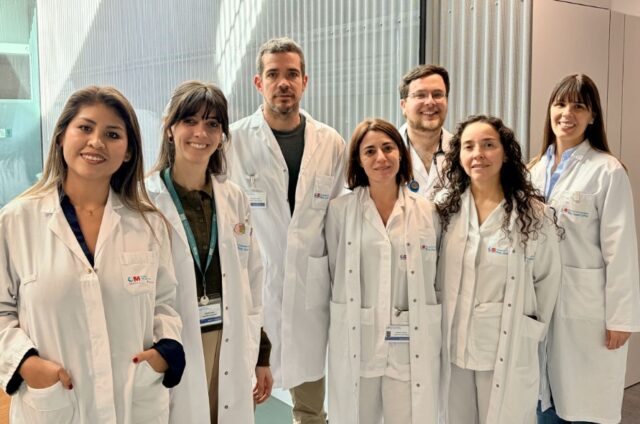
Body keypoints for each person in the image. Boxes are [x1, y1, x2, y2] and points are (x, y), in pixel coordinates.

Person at [0, 86, 184, 423]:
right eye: (85, 128)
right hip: (56, 403)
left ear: (128, 152)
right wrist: (25, 362)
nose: (96, 142)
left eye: (112, 134)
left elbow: (164, 303)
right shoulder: (16, 221)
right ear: (61, 137)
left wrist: (164, 352)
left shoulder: (148, 224)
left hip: (134, 403)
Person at [228, 37, 346, 423]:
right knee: (238, 401)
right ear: (258, 83)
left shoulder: (330, 143)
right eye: (273, 74)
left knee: (311, 406)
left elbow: (339, 219)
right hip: (254, 290)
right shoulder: (233, 141)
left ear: (305, 81)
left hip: (310, 293)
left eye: (292, 74)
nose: (283, 83)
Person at [146, 80, 271, 424]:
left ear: (222, 135)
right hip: (173, 337)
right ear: (169, 128)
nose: (201, 133)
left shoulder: (234, 197)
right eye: (189, 121)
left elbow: (252, 279)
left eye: (212, 124)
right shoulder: (146, 200)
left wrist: (262, 353)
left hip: (229, 335)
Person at [437, 115, 562, 423]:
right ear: (459, 156)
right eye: (469, 146)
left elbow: (547, 280)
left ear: (505, 153)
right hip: (453, 344)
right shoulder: (444, 208)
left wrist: (530, 328)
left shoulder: (534, 214)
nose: (478, 154)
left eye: (488, 145)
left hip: (505, 345)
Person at [531, 74, 640, 424]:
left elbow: (621, 251)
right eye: (560, 104)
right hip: (541, 303)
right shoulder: (533, 170)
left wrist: (621, 319)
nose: (567, 113)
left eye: (579, 106)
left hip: (587, 310)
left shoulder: (607, 171)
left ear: (593, 116)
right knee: (543, 399)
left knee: (583, 406)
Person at [325, 118, 442, 424]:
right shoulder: (340, 211)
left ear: (401, 153)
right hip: (359, 339)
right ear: (358, 160)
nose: (381, 158)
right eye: (370, 151)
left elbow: (435, 278)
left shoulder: (427, 211)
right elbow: (335, 271)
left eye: (388, 148)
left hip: (409, 342)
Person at [398, 64, 453, 198]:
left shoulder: (462, 152)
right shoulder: (386, 154)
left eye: (437, 95)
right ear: (403, 106)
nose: (430, 102)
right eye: (420, 95)